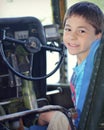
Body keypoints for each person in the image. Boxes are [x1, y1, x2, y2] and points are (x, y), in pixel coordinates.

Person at [21, 1, 104, 130]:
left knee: (45, 116)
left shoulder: (91, 72)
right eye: (68, 29)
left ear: (98, 35)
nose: (72, 36)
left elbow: (84, 121)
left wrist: (52, 116)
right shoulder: (85, 65)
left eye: (81, 31)